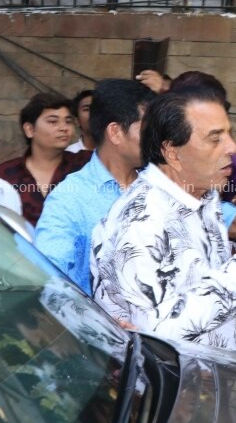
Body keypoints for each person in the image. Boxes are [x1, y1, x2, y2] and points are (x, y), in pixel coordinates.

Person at [90, 87, 236, 350]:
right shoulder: (141, 221)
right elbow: (154, 335)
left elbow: (208, 288)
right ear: (172, 152)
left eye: (229, 134)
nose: (232, 148)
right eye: (214, 138)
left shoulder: (204, 199)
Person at [35, 80, 154, 290]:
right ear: (115, 132)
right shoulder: (69, 199)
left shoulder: (158, 185)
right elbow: (46, 281)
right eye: (147, 129)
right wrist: (93, 319)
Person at [0, 92, 89, 226]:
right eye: (53, 121)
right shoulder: (4, 175)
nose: (64, 128)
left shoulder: (85, 165)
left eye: (68, 121)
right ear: (30, 129)